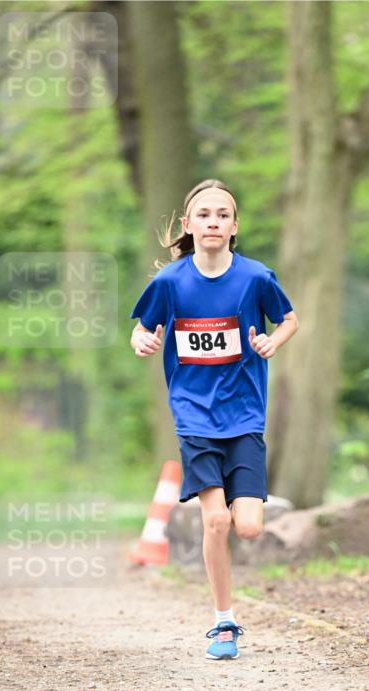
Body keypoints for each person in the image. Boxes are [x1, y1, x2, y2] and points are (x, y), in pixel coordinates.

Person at [129, 179, 299, 660]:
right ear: (189, 225)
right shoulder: (170, 283)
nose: (213, 222)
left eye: (223, 215)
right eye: (204, 214)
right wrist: (142, 341)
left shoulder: (255, 278)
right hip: (194, 418)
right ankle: (224, 622)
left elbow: (288, 319)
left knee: (247, 526)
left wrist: (272, 342)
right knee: (217, 521)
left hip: (244, 417)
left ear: (234, 226)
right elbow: (143, 328)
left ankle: (226, 587)